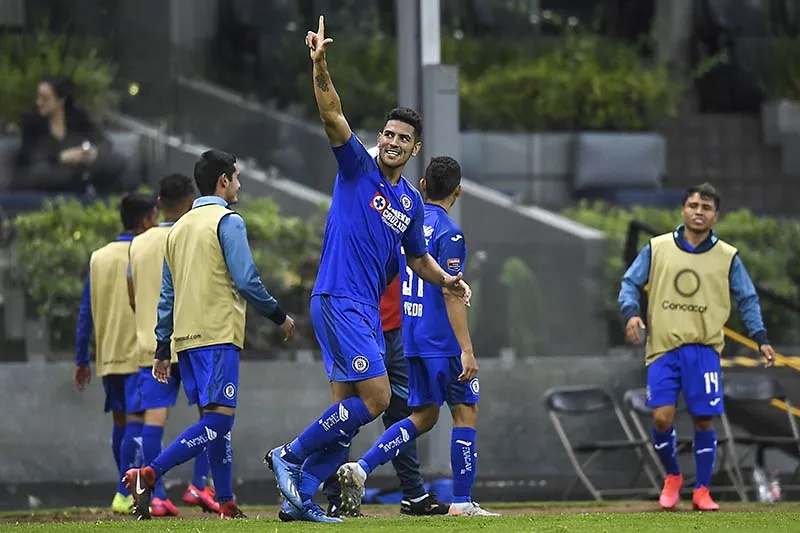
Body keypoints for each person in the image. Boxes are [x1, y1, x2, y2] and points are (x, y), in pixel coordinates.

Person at [266, 15, 470, 524]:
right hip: (340, 297)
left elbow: (418, 257)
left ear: (415, 148)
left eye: (403, 137)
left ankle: (301, 498)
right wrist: (320, 67)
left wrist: (446, 280)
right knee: (378, 398)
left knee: (346, 418)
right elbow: (332, 114)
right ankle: (289, 456)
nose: (393, 141)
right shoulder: (358, 166)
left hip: (361, 309)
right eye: (387, 133)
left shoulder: (411, 201)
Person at [123, 149, 296, 520]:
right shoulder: (227, 221)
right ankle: (150, 473)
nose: (239, 184)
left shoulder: (176, 229)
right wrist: (279, 316)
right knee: (219, 422)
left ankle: (227, 504)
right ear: (223, 181)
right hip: (218, 335)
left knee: (215, 421)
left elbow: (166, 296)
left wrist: (162, 347)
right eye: (236, 177)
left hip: (186, 341)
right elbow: (247, 279)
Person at [336, 156, 498, 517]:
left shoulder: (407, 225)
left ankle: (361, 467)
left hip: (411, 338)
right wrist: (467, 350)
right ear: (459, 190)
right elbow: (450, 292)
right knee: (465, 412)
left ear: (422, 186)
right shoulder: (450, 233)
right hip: (443, 342)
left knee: (422, 416)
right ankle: (461, 501)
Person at [618, 182, 776, 511]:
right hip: (663, 347)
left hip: (703, 350)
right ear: (683, 210)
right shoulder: (658, 247)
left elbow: (747, 298)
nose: (698, 212)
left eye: (705, 208)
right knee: (661, 418)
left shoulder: (727, 256)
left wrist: (760, 338)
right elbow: (630, 282)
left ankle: (702, 490)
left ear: (715, 215)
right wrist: (631, 314)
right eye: (693, 206)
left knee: (704, 419)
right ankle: (673, 476)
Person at [316, 146, 448, 519]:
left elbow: (416, 263)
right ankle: (321, 483)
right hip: (363, 321)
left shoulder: (404, 210)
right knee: (357, 409)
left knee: (391, 410)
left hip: (390, 327)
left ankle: (410, 493)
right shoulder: (356, 204)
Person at [127, 173, 219, 516]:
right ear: (191, 199)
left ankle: (158, 493)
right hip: (194, 339)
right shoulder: (194, 235)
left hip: (151, 345)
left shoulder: (139, 243)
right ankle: (199, 484)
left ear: (159, 203)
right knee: (212, 415)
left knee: (154, 419)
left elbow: (133, 296)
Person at [74, 193, 159, 513]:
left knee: (121, 423)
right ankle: (127, 493)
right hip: (139, 352)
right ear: (145, 220)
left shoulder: (99, 257)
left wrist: (82, 358)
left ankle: (121, 487)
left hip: (109, 354)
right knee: (140, 422)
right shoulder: (146, 252)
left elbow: (85, 312)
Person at [15, 76, 127, 194]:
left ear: (61, 100)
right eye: (38, 97)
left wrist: (94, 153)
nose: (39, 102)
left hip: (79, 170)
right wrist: (62, 157)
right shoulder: (31, 120)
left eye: (45, 98)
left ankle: (100, 199)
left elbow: (104, 142)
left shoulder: (78, 116)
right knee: (46, 172)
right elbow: (29, 154)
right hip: (48, 173)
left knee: (116, 160)